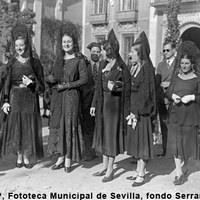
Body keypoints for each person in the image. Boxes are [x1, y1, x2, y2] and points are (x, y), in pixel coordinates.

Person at [1, 23, 45, 168]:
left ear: (26, 45)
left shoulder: (35, 62)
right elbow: (7, 83)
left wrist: (31, 84)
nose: (19, 48)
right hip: (15, 99)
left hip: (29, 99)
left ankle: (26, 156)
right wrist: (6, 101)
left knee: (27, 128)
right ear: (14, 46)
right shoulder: (12, 63)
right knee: (17, 129)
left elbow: (42, 87)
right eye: (17, 45)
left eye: (22, 45)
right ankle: (19, 156)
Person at [90, 29, 130, 182]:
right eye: (105, 49)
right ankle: (104, 166)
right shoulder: (103, 65)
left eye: (107, 49)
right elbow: (97, 87)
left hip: (114, 105)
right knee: (103, 134)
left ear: (114, 50)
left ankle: (111, 169)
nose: (105, 52)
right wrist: (94, 104)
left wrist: (117, 88)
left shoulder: (121, 66)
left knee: (111, 135)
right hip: (102, 104)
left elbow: (127, 88)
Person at [47, 25, 88, 172]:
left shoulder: (79, 60)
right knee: (59, 125)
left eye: (69, 42)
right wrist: (50, 79)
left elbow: (84, 79)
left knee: (70, 125)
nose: (66, 44)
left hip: (71, 96)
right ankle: (60, 157)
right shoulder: (59, 59)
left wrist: (68, 85)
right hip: (58, 97)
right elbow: (53, 76)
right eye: (64, 42)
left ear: (74, 43)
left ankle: (69, 158)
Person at [126, 31, 156, 187]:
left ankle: (142, 173)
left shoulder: (147, 69)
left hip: (142, 112)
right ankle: (138, 170)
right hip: (134, 110)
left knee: (142, 142)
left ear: (139, 53)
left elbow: (146, 93)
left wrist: (137, 111)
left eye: (132, 52)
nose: (130, 54)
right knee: (136, 142)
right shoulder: (135, 67)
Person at [166, 53, 200, 185]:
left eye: (187, 63)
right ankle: (178, 173)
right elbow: (168, 92)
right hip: (176, 114)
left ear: (191, 64)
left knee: (186, 145)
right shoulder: (175, 77)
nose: (184, 66)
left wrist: (192, 97)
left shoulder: (197, 79)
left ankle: (185, 167)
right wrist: (173, 96)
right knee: (176, 143)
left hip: (190, 116)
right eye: (182, 63)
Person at [80, 42, 101, 162]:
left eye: (98, 52)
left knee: (97, 127)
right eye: (93, 51)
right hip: (86, 102)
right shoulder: (85, 66)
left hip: (100, 102)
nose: (96, 54)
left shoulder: (104, 66)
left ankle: (95, 150)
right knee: (87, 127)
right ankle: (88, 152)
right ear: (90, 52)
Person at [155, 40, 177, 157]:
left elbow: (182, 78)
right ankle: (165, 150)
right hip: (162, 99)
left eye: (168, 50)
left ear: (174, 50)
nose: (165, 52)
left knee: (174, 124)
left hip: (174, 99)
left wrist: (169, 84)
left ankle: (175, 151)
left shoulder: (179, 64)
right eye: (164, 50)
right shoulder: (161, 65)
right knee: (164, 123)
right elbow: (157, 81)